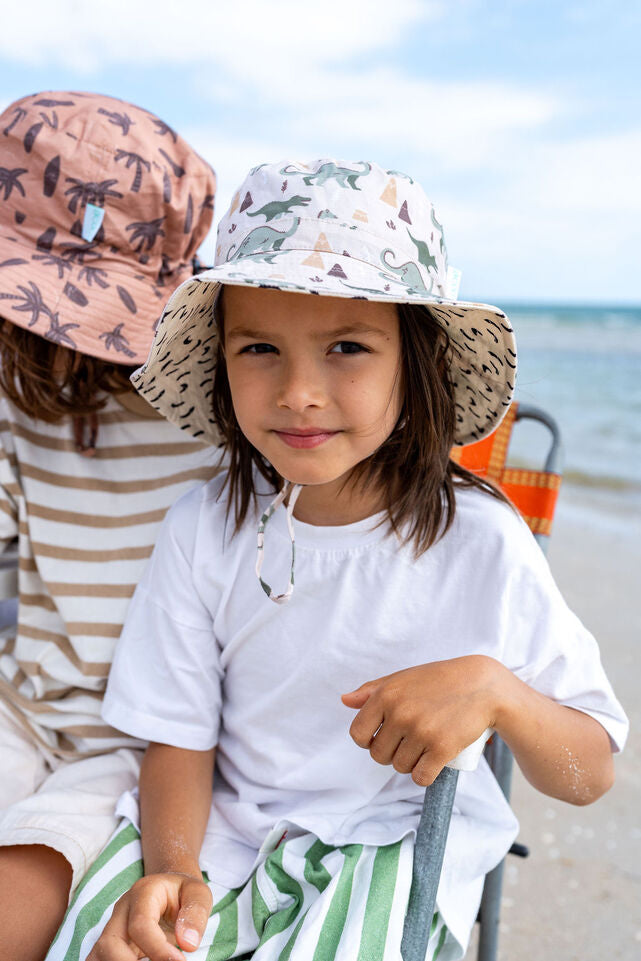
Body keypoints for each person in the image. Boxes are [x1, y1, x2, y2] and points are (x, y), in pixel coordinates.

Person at [48, 160, 627, 961]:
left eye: (348, 347)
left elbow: (585, 771)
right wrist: (173, 869)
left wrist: (495, 692)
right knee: (112, 937)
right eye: (258, 348)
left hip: (389, 837)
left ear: (414, 364)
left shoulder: (483, 541)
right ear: (220, 360)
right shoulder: (202, 527)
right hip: (218, 825)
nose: (298, 391)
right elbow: (179, 735)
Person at [0, 91, 222, 960]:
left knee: (23, 892)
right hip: (24, 702)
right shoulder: (18, 409)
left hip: (142, 747)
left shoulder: (224, 421)